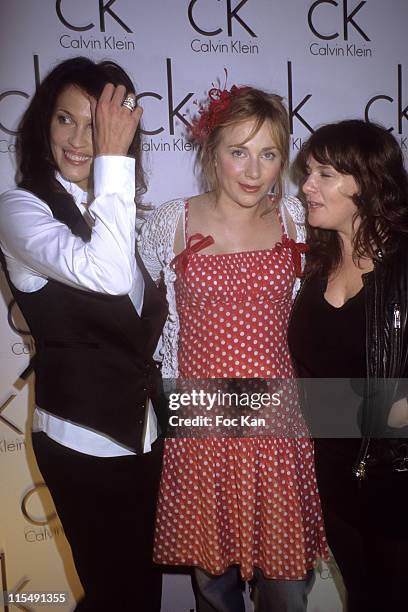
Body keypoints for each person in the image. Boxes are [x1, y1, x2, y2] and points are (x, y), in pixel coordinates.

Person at [138, 85, 328, 612]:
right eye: (238, 151)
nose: (253, 170)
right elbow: (143, 325)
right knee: (213, 590)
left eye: (268, 154)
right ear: (210, 150)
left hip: (278, 424)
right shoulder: (167, 224)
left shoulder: (297, 218)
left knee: (288, 590)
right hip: (201, 424)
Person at [0, 57, 168, 612]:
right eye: (65, 119)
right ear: (42, 125)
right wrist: (114, 161)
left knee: (141, 590)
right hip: (81, 441)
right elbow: (108, 275)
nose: (78, 139)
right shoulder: (19, 209)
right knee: (115, 594)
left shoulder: (120, 213)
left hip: (144, 437)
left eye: (96, 124)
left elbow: (137, 325)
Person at [288, 119, 408, 612]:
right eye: (308, 172)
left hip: (396, 483)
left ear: (368, 182)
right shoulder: (315, 266)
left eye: (325, 174)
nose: (307, 186)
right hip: (335, 481)